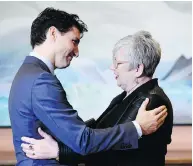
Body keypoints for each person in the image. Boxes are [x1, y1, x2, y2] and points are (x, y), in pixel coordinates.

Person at [9, 7, 167, 166]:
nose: (77, 52)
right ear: (53, 33)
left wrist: (58, 151)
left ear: (138, 68)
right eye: (74, 41)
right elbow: (85, 140)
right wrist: (138, 128)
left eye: (118, 63)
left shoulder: (27, 74)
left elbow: (96, 140)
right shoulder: (41, 81)